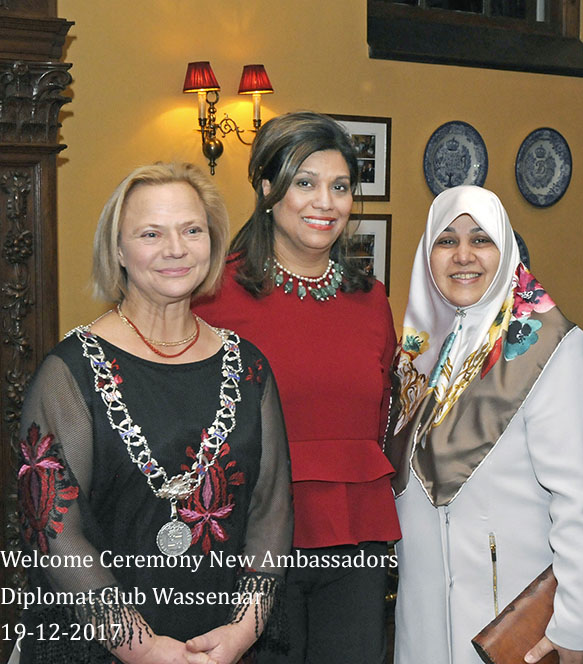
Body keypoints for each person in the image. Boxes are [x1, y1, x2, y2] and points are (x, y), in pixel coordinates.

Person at [14, 162, 292, 664]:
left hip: (223, 647)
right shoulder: (68, 373)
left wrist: (242, 633)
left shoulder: (249, 368)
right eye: (150, 233)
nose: (176, 249)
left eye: (192, 230)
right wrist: (141, 649)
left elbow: (270, 512)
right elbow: (55, 531)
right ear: (118, 250)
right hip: (102, 647)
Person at [193, 111, 400, 663]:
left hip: (355, 541)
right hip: (249, 544)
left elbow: (382, 417)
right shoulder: (213, 298)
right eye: (304, 183)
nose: (324, 203)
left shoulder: (372, 300)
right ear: (266, 187)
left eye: (339, 187)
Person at [388, 185, 583, 664]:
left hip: (507, 622)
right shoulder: (419, 353)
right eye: (446, 241)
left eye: (480, 239)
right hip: (421, 621)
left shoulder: (552, 347)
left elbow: (580, 499)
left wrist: (579, 622)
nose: (463, 255)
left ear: (506, 249)